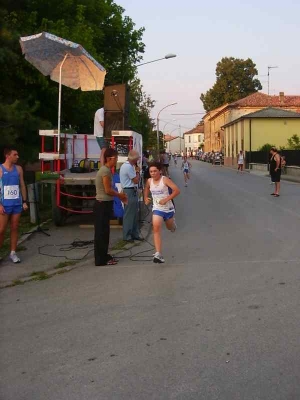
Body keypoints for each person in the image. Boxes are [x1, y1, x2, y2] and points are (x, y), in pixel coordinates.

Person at [94, 148, 127, 266]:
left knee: (105, 232)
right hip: (102, 204)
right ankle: (100, 259)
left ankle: (104, 255)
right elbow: (108, 190)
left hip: (106, 204)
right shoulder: (105, 171)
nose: (116, 160)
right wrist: (120, 195)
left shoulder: (107, 170)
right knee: (101, 233)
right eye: (116, 158)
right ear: (109, 159)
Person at [144, 162, 180, 264]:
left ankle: (173, 224)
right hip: (157, 208)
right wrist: (146, 198)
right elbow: (146, 188)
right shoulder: (149, 181)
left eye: (155, 171)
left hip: (168, 208)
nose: (153, 173)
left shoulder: (164, 180)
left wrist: (166, 199)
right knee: (156, 227)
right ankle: (158, 254)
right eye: (151, 171)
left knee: (170, 228)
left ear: (160, 171)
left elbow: (177, 190)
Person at [0, 146, 28, 263]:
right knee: (1, 230)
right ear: (8, 156)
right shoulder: (1, 169)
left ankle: (13, 252)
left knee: (15, 227)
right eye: (15, 155)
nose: (17, 157)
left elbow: (22, 185)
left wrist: (24, 201)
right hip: (4, 204)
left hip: (16, 203)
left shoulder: (19, 169)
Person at [120, 150, 143, 242]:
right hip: (129, 191)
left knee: (134, 214)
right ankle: (127, 235)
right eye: (137, 159)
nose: (137, 161)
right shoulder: (128, 167)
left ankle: (134, 233)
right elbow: (136, 180)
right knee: (129, 214)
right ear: (134, 159)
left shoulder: (127, 166)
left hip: (131, 191)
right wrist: (137, 172)